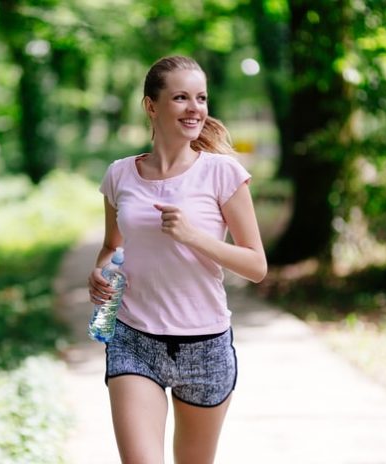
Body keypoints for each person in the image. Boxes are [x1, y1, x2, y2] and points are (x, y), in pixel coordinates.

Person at [87, 55, 267, 464]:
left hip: (205, 345)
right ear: (151, 106)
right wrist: (99, 272)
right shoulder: (119, 174)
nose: (195, 108)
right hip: (134, 339)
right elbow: (111, 246)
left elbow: (257, 266)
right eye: (181, 97)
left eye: (201, 98)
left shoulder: (223, 173)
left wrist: (193, 237)